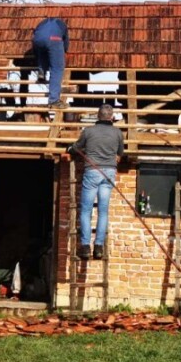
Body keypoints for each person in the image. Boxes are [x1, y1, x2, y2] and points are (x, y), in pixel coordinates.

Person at [67, 104, 124, 260]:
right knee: (103, 211)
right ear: (111, 117)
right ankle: (98, 247)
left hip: (92, 171)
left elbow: (76, 148)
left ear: (98, 116)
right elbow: (120, 153)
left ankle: (85, 247)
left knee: (86, 210)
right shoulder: (118, 132)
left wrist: (69, 149)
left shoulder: (88, 131)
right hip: (109, 173)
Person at [32, 17, 69, 109]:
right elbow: (65, 45)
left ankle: (41, 71)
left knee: (42, 50)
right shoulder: (61, 25)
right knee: (57, 68)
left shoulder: (42, 23)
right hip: (53, 39)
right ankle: (53, 100)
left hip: (37, 39)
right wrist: (62, 52)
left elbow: (35, 39)